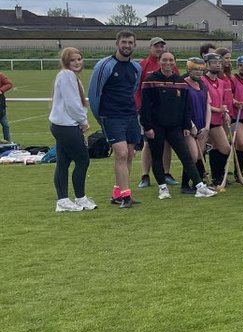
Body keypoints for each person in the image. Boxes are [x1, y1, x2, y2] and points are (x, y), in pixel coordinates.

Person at [139, 52, 219, 199]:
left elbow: (185, 107)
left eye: (171, 60)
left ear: (175, 62)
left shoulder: (180, 81)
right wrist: (147, 127)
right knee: (157, 157)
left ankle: (199, 187)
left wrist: (186, 126)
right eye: (165, 60)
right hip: (156, 127)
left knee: (186, 157)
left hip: (175, 127)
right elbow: (145, 106)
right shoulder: (150, 80)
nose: (168, 63)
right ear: (160, 61)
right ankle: (162, 188)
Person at [87, 29, 143, 207]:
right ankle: (126, 196)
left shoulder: (136, 67)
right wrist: (101, 118)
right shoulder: (105, 65)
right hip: (111, 116)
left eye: (130, 42)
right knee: (121, 153)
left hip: (130, 115)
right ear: (117, 43)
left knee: (129, 155)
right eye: (124, 42)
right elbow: (94, 94)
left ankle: (118, 192)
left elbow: (132, 90)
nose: (127, 46)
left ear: (134, 45)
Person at [49, 47, 94, 211]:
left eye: (79, 59)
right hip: (67, 127)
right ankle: (79, 198)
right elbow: (72, 103)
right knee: (83, 160)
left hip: (62, 126)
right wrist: (83, 121)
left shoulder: (69, 77)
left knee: (63, 163)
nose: (77, 62)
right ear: (66, 62)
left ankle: (63, 200)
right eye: (72, 60)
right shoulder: (67, 75)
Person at [136, 35, 172, 188]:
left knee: (167, 142)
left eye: (162, 46)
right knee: (148, 143)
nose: (159, 49)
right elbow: (136, 89)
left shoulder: (170, 64)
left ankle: (166, 173)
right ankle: (145, 175)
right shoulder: (143, 65)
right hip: (149, 112)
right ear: (150, 47)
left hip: (167, 113)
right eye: (156, 46)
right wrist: (140, 108)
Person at [202, 54, 233, 186]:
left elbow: (223, 101)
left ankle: (217, 176)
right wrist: (218, 109)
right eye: (213, 62)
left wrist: (224, 112)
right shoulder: (202, 80)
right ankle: (199, 178)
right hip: (203, 120)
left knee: (225, 148)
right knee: (199, 150)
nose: (217, 64)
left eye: (218, 62)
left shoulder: (221, 82)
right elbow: (204, 103)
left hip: (216, 121)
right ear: (207, 65)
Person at [0, 67, 12, 142]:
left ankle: (8, 143)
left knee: (6, 126)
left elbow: (9, 84)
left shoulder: (0, 75)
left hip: (1, 106)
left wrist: (1, 90)